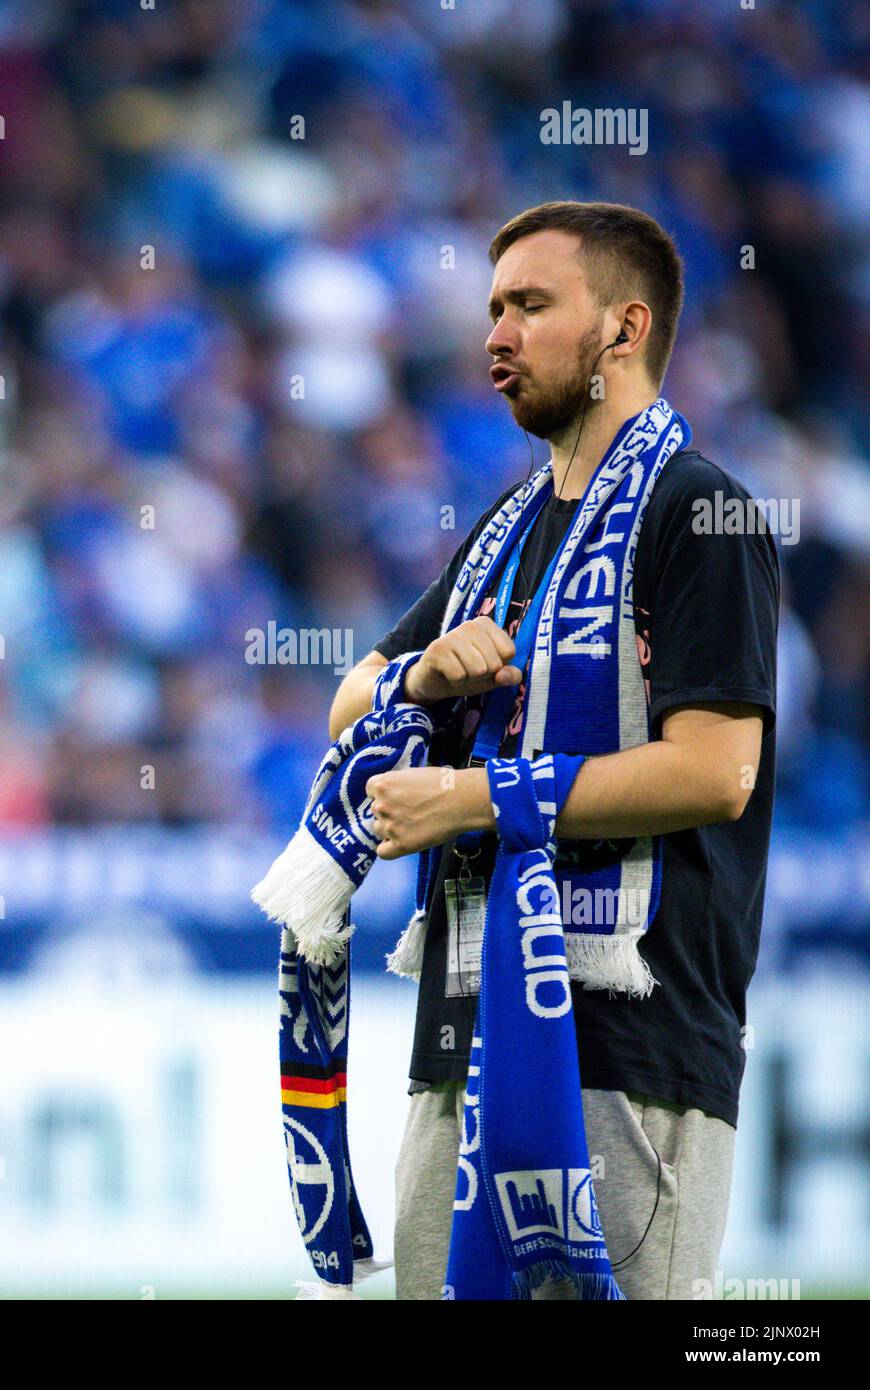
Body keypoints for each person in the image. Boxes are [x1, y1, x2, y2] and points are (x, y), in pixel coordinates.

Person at [326, 201, 779, 1300]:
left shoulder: (699, 513)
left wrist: (476, 798)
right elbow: (348, 707)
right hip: (463, 1035)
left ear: (622, 331)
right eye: (491, 308)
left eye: (529, 305)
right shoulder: (503, 530)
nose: (494, 334)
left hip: (631, 1040)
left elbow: (714, 772)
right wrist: (420, 675)